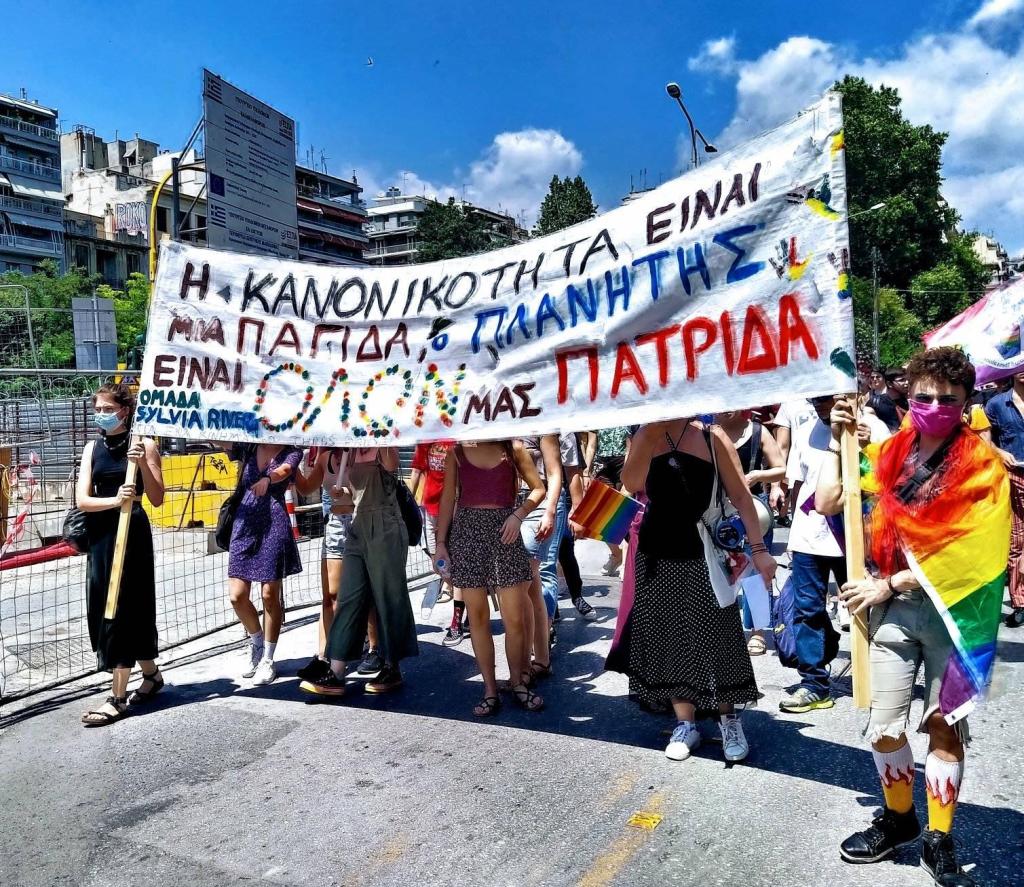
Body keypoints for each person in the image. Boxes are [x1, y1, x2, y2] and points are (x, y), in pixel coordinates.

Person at [816, 347, 1009, 887]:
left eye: (949, 399)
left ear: (967, 401)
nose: (936, 406)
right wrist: (837, 440)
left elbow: (973, 550)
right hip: (893, 616)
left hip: (954, 614)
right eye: (925, 396)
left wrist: (889, 583)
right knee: (884, 729)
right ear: (909, 394)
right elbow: (830, 501)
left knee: (944, 727)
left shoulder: (983, 466)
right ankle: (899, 819)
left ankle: (939, 837)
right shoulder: (890, 453)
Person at [607, 417, 777, 763]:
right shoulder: (644, 434)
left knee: (718, 637)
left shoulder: (712, 436)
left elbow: (741, 497)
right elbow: (632, 483)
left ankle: (728, 719)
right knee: (668, 638)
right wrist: (649, 435)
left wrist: (760, 551)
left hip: (705, 551)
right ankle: (686, 723)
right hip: (656, 552)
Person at [434, 440, 546, 716]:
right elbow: (447, 498)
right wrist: (440, 544)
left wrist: (519, 515)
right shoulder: (456, 452)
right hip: (467, 535)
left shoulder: (513, 448)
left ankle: (517, 682)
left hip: (505, 534)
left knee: (514, 618)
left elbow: (539, 488)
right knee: (478, 618)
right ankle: (489, 689)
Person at [78, 383, 165, 727]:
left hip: (133, 533)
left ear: (125, 411)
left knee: (126, 607)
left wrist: (141, 462)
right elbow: (82, 500)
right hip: (102, 534)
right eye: (98, 409)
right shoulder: (92, 448)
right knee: (104, 605)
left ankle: (117, 697)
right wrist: (114, 500)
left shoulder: (145, 444)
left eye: (107, 409)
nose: (101, 414)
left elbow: (157, 497)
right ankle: (152, 675)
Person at [300, 447, 417, 696]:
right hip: (357, 528)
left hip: (385, 527)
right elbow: (355, 494)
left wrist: (378, 434)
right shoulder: (350, 451)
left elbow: (391, 466)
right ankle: (336, 672)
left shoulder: (383, 447)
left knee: (387, 597)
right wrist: (342, 493)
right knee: (349, 597)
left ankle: (391, 666)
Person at [778, 395, 848, 714]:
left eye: (825, 397)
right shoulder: (806, 430)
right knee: (807, 610)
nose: (819, 404)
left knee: (867, 611)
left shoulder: (865, 428)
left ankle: (880, 676)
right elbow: (799, 484)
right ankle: (814, 683)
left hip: (851, 537)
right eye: (814, 398)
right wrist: (794, 536)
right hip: (809, 538)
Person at [293, 448, 381, 682]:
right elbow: (306, 488)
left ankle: (374, 648)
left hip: (360, 521)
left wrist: (349, 491)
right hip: (334, 525)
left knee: (366, 591)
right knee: (330, 595)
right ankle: (325, 655)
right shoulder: (326, 458)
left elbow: (373, 489)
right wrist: (291, 463)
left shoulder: (364, 454)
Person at [226, 443, 303, 686]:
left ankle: (268, 658)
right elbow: (222, 440)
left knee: (270, 595)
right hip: (244, 525)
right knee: (237, 596)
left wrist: (268, 479)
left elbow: (285, 470)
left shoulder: (292, 450)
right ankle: (257, 642)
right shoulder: (248, 446)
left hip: (274, 523)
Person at [715, 409, 785, 656]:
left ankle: (758, 631)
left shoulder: (757, 431)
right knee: (718, 571)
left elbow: (780, 468)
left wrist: (758, 475)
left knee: (756, 574)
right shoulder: (706, 432)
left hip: (754, 509)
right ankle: (722, 630)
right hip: (716, 510)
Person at [517, 435, 562, 684]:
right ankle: (542, 660)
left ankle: (523, 668)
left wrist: (550, 511)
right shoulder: (501, 421)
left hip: (540, 507)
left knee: (522, 585)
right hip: (509, 506)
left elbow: (554, 472)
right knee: (532, 586)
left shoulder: (543, 425)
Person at [409, 440, 463, 643]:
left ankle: (457, 620)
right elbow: (416, 472)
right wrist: (409, 505)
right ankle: (463, 594)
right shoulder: (426, 440)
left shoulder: (456, 440)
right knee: (439, 565)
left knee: (458, 565)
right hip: (430, 509)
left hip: (454, 509)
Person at [984, 371, 1024, 627]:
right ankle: (1020, 601)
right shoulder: (997, 403)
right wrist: (999, 452)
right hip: (1013, 475)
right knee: (1017, 541)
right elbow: (984, 441)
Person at [583, 427, 630, 576]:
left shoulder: (627, 417)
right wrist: (586, 472)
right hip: (602, 463)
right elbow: (591, 445)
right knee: (600, 515)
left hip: (623, 462)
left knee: (623, 513)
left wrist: (628, 473)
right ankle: (616, 554)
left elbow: (630, 447)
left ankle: (626, 562)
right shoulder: (597, 417)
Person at [768, 399, 816, 526]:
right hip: (801, 479)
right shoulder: (790, 402)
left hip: (833, 475)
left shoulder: (834, 396)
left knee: (834, 528)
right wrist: (775, 486)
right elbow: (782, 447)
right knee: (802, 525)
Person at [869, 367, 910, 433]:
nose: (907, 382)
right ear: (889, 384)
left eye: (907, 379)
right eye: (902, 380)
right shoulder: (877, 403)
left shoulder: (910, 401)